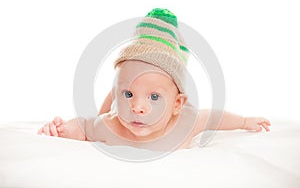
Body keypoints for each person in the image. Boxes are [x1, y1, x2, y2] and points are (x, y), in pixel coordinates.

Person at [38, 8, 271, 151]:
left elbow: (213, 117)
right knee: (107, 111)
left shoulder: (186, 121)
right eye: (128, 94)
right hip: (111, 109)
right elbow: (86, 126)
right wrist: (61, 130)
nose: (137, 108)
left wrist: (244, 121)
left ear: (178, 105)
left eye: (154, 97)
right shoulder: (110, 126)